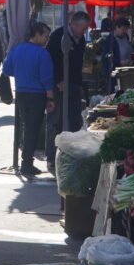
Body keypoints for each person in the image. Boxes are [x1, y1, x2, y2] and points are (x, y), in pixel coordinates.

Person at [2, 21, 55, 176]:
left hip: (21, 93)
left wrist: (22, 74)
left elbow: (7, 69)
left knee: (27, 127)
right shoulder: (42, 53)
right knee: (33, 129)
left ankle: (26, 162)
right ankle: (27, 164)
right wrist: (50, 99)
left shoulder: (16, 49)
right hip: (37, 94)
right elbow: (47, 78)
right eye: (45, 36)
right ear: (37, 34)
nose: (47, 39)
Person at [45, 10, 90, 172]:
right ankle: (51, 159)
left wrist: (79, 85)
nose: (84, 32)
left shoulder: (81, 39)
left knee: (74, 120)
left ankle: (70, 156)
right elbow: (50, 60)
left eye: (85, 29)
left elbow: (78, 64)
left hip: (73, 85)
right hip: (58, 86)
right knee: (55, 122)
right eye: (82, 29)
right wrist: (58, 80)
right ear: (73, 24)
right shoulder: (59, 36)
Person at [101, 17, 134, 94]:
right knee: (114, 93)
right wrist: (119, 62)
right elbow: (106, 57)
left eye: (126, 30)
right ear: (116, 27)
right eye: (123, 29)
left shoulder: (125, 37)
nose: (125, 31)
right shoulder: (110, 40)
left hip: (125, 71)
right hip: (113, 73)